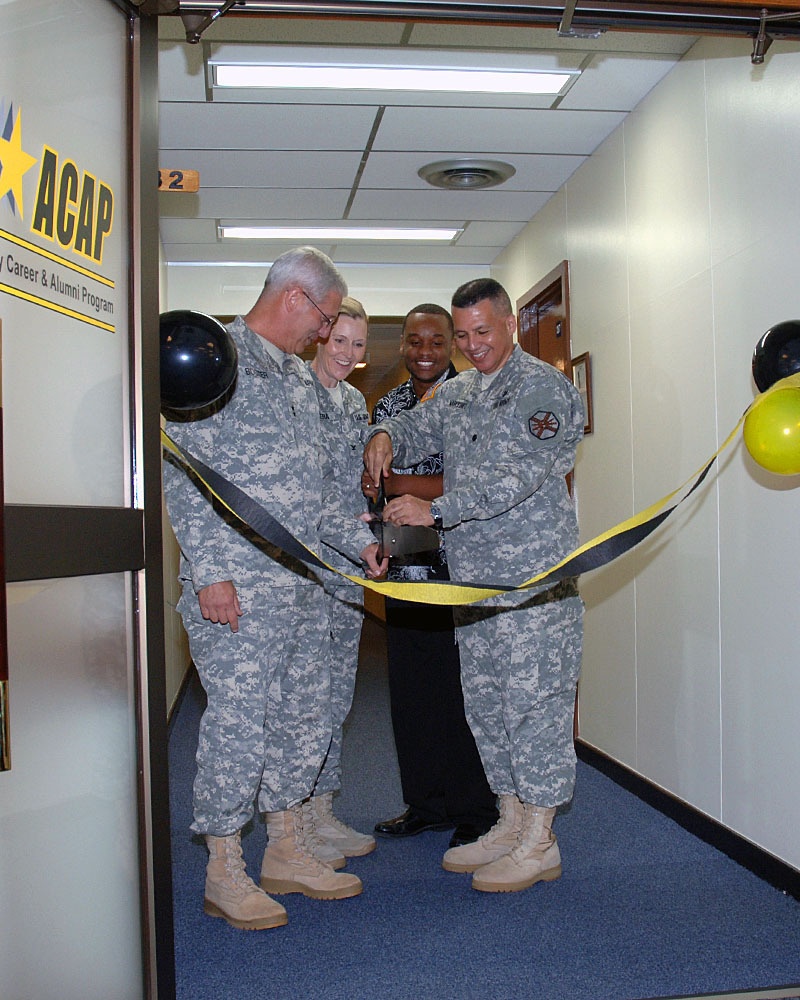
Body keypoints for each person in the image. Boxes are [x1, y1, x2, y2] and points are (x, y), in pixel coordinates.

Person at [163, 247, 386, 931]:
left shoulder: (295, 381)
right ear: (295, 297)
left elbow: (317, 493)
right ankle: (224, 867)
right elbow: (181, 470)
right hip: (236, 588)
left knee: (301, 718)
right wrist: (212, 571)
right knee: (241, 725)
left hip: (299, 588)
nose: (324, 335)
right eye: (323, 319)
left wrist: (362, 544)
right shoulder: (216, 358)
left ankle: (286, 849)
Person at [363, 278, 584, 894]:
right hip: (475, 592)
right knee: (488, 710)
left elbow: (514, 480)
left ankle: (541, 839)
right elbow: (415, 427)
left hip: (531, 588)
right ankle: (510, 824)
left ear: (510, 324)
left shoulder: (545, 391)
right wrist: (385, 436)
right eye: (463, 335)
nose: (472, 345)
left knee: (534, 709)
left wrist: (435, 511)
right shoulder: (458, 392)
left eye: (481, 332)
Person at [364, 304, 498, 848]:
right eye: (415, 341)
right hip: (404, 559)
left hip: (459, 560)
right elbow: (375, 483)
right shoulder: (389, 407)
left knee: (461, 687)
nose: (425, 352)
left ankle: (472, 807)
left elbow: (469, 482)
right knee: (413, 688)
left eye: (437, 342)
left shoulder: (472, 398)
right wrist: (389, 489)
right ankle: (424, 803)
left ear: (454, 346)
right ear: (401, 345)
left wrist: (406, 487)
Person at [304, 296, 376, 863]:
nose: (347, 354)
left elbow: (353, 485)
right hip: (304, 569)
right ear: (319, 338)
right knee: (303, 696)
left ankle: (322, 808)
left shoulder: (355, 404)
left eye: (357, 345)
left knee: (337, 693)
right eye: (339, 341)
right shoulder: (291, 397)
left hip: (348, 568)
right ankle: (296, 818)